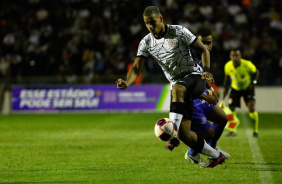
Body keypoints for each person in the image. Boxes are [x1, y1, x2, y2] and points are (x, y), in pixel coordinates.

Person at [116, 6, 225, 168]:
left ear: (161, 18)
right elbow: (136, 67)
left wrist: (207, 71)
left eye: (152, 22)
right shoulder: (146, 42)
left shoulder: (179, 31)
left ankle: (172, 131)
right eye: (147, 24)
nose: (150, 26)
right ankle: (216, 156)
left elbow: (203, 50)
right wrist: (127, 82)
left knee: (177, 89)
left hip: (195, 75)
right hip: (179, 86)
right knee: (185, 135)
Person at [166, 28, 230, 164]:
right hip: (193, 101)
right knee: (209, 133)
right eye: (203, 43)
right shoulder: (187, 58)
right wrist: (205, 96)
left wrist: (210, 89)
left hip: (202, 97)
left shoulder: (203, 55)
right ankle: (192, 154)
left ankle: (212, 148)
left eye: (209, 43)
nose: (207, 46)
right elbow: (186, 86)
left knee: (222, 118)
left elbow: (201, 77)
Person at [223, 49, 259, 137]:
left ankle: (255, 131)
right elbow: (227, 79)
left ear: (240, 56)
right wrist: (225, 91)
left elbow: (256, 72)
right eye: (233, 55)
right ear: (230, 57)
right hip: (235, 89)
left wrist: (254, 83)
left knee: (251, 107)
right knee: (231, 110)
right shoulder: (228, 66)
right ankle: (232, 130)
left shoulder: (247, 64)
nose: (235, 57)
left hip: (247, 89)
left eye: (237, 55)